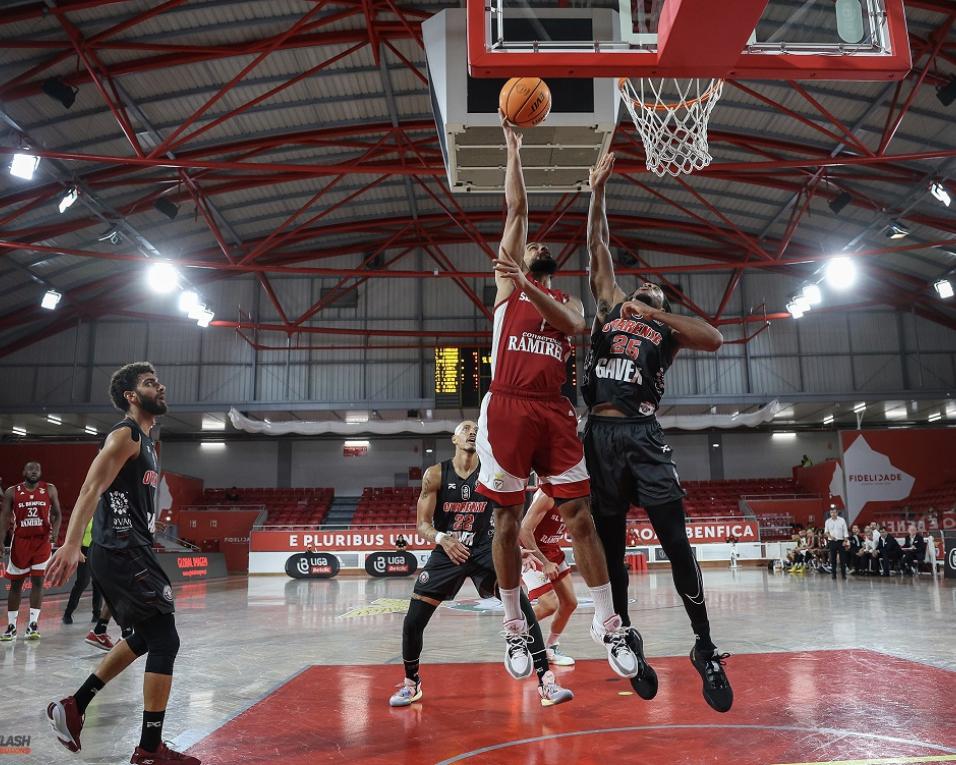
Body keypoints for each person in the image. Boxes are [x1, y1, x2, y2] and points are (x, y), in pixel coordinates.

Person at [475, 113, 638, 681]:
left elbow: (571, 325)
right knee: (505, 520)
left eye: (538, 247)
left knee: (579, 515)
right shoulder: (506, 284)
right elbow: (516, 211)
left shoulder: (563, 300)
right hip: (508, 404)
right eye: (528, 247)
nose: (534, 243)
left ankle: (608, 622)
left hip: (553, 409)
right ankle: (516, 628)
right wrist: (512, 148)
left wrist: (525, 283)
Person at [581, 151, 733, 713]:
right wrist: (597, 193)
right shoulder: (607, 312)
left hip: (644, 438)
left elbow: (714, 337)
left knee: (676, 544)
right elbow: (598, 249)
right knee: (613, 555)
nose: (642, 289)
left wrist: (655, 313)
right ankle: (627, 641)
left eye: (653, 291)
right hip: (598, 438)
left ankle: (705, 647)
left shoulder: (664, 333)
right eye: (638, 289)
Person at [44, 362, 199, 765]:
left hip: (132, 547)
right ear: (132, 396)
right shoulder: (125, 433)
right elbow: (90, 487)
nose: (159, 386)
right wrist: (71, 542)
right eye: (150, 383)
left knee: (148, 637)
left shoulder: (148, 441)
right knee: (166, 639)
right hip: (120, 548)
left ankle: (75, 706)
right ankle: (149, 751)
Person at [390, 421, 572, 708]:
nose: (471, 431)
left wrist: (513, 549)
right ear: (454, 438)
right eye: (465, 428)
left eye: (476, 428)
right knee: (413, 622)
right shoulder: (435, 474)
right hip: (448, 551)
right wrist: (442, 539)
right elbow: (422, 525)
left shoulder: (492, 472)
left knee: (523, 608)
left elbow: (507, 515)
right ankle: (411, 683)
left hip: (487, 548)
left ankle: (546, 682)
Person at [1, 461, 61, 641]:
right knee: (16, 585)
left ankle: (32, 625)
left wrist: (55, 534)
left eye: (37, 469)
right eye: (30, 469)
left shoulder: (49, 489)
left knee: (38, 582)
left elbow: (57, 513)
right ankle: (11, 626)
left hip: (42, 542)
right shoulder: (13, 491)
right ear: (23, 471)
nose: (34, 472)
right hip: (20, 542)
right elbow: (4, 518)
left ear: (41, 472)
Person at [519, 488, 578, 667]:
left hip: (553, 550)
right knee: (549, 605)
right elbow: (524, 529)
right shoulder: (548, 495)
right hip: (531, 552)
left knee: (570, 603)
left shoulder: (580, 494)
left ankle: (551, 647)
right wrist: (544, 562)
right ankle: (515, 636)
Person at [824, 508, 849, 580]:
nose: (833, 514)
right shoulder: (827, 521)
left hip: (841, 541)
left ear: (837, 513)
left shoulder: (842, 520)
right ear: (830, 513)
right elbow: (826, 532)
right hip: (832, 542)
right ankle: (833, 574)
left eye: (834, 512)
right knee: (833, 558)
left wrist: (845, 540)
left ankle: (843, 575)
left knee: (842, 558)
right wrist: (831, 537)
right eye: (831, 513)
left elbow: (845, 531)